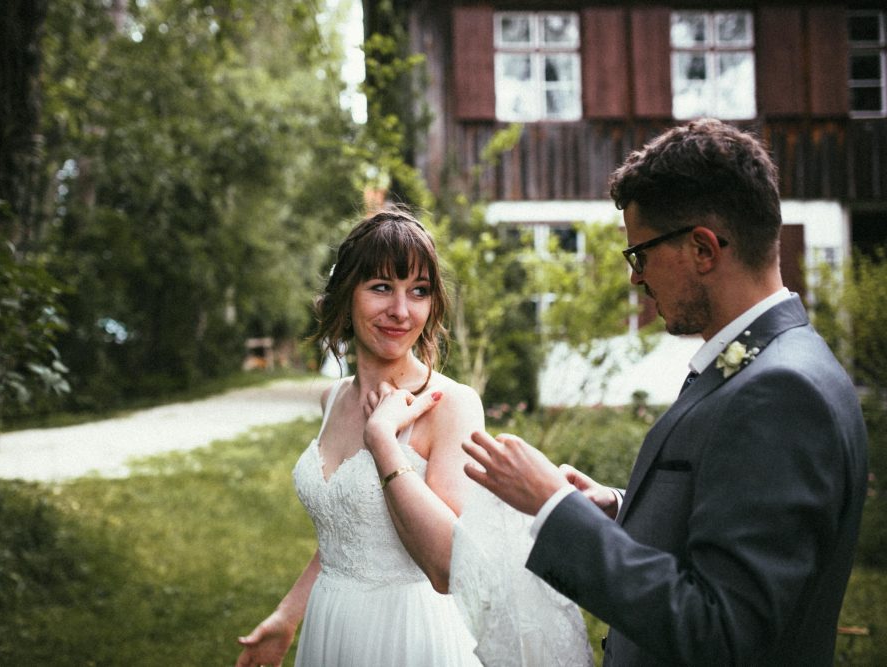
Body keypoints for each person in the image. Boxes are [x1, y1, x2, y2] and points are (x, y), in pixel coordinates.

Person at [463, 119, 868, 665]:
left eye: (641, 254)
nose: (636, 278)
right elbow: (727, 515)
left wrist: (553, 508)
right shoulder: (778, 360)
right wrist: (618, 509)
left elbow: (721, 631)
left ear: (702, 249)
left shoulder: (780, 392)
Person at [236, 206, 591, 666]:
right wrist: (288, 615)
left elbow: (447, 565)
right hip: (332, 625)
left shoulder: (451, 405)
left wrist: (383, 441)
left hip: (409, 633)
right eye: (381, 287)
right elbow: (345, 533)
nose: (401, 311)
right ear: (347, 295)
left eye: (418, 291)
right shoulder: (333, 397)